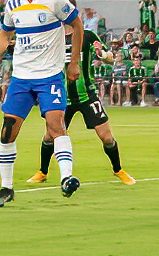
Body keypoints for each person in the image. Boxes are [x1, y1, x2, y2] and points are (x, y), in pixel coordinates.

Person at [0, 0, 82, 208]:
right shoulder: (13, 4)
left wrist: (74, 61)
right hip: (21, 77)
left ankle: (67, 177)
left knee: (55, 123)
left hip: (49, 75)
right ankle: (6, 188)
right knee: (8, 131)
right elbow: (4, 36)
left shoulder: (55, 1)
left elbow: (77, 26)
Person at [27, 24, 134, 186]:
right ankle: (42, 172)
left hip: (87, 95)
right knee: (50, 136)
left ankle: (118, 170)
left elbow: (109, 57)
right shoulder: (52, 37)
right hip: (62, 97)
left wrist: (103, 54)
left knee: (106, 137)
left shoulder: (88, 36)